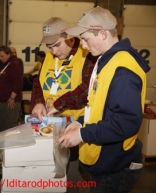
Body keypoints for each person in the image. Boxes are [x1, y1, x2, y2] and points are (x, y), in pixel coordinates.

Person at [58, 6, 150, 192]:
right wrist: (81, 123)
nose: (83, 46)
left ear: (102, 34)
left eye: (85, 39)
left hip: (115, 168)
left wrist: (83, 134)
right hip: (107, 163)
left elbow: (126, 121)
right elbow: (99, 106)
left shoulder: (122, 69)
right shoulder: (105, 61)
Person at [30, 17, 98, 193]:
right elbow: (38, 82)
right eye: (49, 47)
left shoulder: (86, 55)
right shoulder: (49, 58)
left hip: (73, 126)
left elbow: (86, 90)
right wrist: (38, 102)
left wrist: (59, 105)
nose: (53, 51)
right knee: (49, 174)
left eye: (57, 45)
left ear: (69, 37)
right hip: (49, 124)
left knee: (70, 177)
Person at [0, 46, 23, 130]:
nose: (1, 58)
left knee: (10, 125)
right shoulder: (5, 65)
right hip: (3, 100)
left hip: (11, 101)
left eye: (2, 56)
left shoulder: (14, 65)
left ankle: (12, 143)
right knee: (4, 124)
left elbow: (18, 83)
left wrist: (12, 98)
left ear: (8, 54)